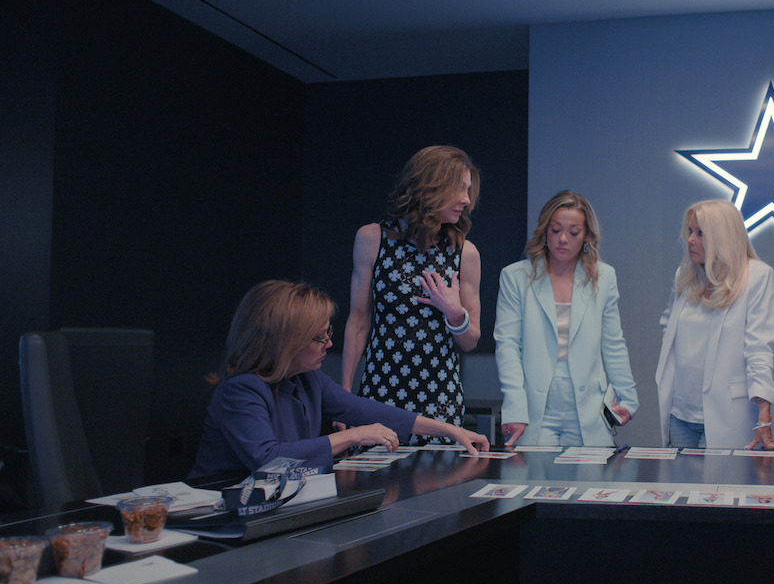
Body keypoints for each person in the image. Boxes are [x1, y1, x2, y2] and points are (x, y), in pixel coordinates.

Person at [190, 280, 487, 479]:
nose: (328, 344)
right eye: (319, 337)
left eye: (328, 334)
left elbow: (366, 411)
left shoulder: (309, 379)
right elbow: (268, 459)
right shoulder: (241, 389)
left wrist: (450, 431)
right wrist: (352, 436)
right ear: (284, 342)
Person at [341, 145, 482, 444]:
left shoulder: (464, 253)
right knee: (376, 487)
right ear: (431, 187)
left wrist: (455, 313)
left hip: (439, 403)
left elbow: (470, 341)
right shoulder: (371, 239)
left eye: (468, 190)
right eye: (459, 190)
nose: (466, 201)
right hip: (379, 394)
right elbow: (357, 322)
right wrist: (343, 400)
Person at [495, 190, 638, 447]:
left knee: (590, 484)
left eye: (573, 233)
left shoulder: (603, 277)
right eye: (555, 230)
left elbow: (613, 343)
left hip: (588, 404)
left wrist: (627, 397)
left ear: (586, 236)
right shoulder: (515, 276)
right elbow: (507, 346)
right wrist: (514, 407)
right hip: (536, 404)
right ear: (544, 231)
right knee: (532, 482)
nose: (563, 239)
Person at [655, 199, 774, 451]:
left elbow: (760, 349)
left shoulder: (758, 276)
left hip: (727, 414)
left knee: (721, 489)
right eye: (690, 232)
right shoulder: (684, 275)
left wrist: (764, 414)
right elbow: (669, 331)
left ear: (722, 237)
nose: (690, 240)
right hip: (680, 414)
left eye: (700, 233)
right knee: (680, 489)